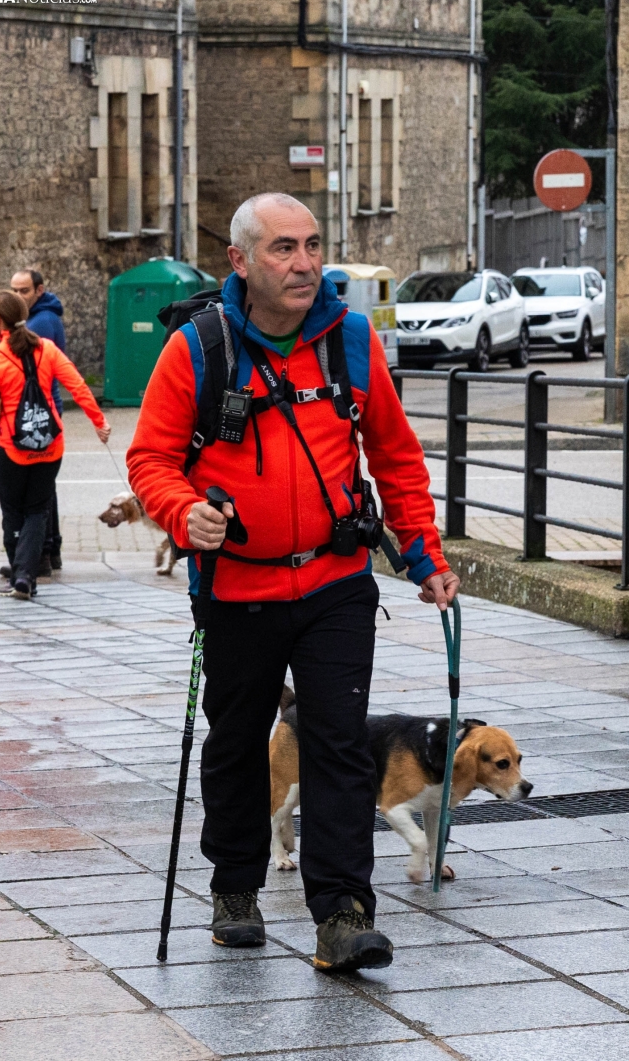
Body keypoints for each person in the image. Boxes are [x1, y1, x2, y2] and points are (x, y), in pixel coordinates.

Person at [127, 193, 459, 972]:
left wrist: (425, 554)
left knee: (340, 746)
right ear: (241, 261)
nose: (305, 262)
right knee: (239, 743)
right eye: (283, 248)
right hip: (235, 590)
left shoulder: (348, 339)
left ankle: (343, 912)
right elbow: (150, 461)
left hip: (335, 583)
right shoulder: (199, 347)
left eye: (312, 245)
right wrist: (184, 513)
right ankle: (236, 890)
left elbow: (395, 454)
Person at [0, 290, 111, 599]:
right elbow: (77, 385)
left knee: (13, 513)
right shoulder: (46, 349)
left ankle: (20, 575)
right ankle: (26, 576)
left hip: (11, 447)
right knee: (38, 511)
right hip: (51, 445)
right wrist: (99, 423)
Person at [10, 268, 66, 572]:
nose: (18, 296)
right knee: (44, 488)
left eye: (24, 291)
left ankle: (43, 553)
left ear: (39, 290)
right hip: (44, 414)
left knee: (37, 491)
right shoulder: (40, 318)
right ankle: (51, 549)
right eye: (14, 290)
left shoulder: (41, 323)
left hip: (38, 416)